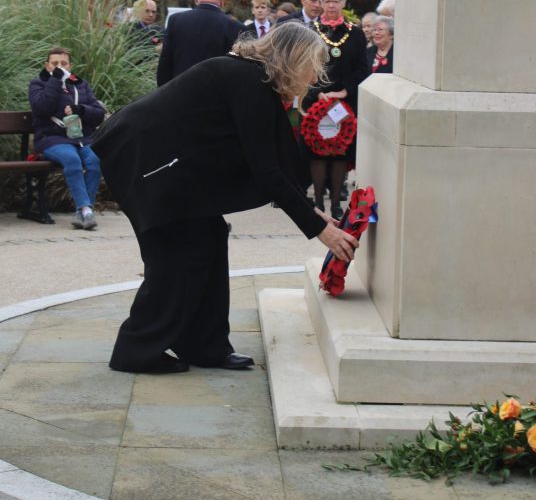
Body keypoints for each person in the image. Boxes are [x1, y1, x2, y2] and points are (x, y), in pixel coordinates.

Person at [92, 21, 358, 375]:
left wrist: (314, 213)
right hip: (147, 164)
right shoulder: (248, 81)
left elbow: (274, 165)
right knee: (175, 252)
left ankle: (205, 346)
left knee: (209, 237)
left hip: (167, 167)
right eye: (313, 66)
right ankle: (136, 350)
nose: (314, 77)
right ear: (294, 59)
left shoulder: (250, 79)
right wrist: (319, 229)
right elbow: (267, 172)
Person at [301, 0, 370, 220]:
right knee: (318, 151)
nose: (331, 5)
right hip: (316, 99)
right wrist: (317, 93)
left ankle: (337, 204)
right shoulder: (309, 31)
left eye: (336, 1)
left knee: (340, 151)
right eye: (327, 1)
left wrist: (343, 93)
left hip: (344, 102)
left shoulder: (355, 33)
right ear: (320, 3)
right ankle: (319, 200)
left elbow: (363, 69)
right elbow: (302, 66)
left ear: (343, 3)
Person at [28, 47, 106, 229]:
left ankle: (82, 212)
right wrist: (56, 80)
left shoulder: (80, 84)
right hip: (51, 138)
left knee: (95, 160)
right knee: (72, 159)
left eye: (63, 64)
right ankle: (86, 209)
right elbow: (42, 108)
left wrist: (81, 110)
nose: (59, 67)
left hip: (82, 138)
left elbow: (99, 114)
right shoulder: (38, 84)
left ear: (70, 65)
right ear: (47, 66)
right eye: (55, 64)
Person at [156, 0, 243, 85]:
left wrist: (163, 93)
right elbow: (237, 71)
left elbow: (165, 62)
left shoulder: (176, 21)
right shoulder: (235, 27)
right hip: (215, 96)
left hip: (178, 92)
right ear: (222, 0)